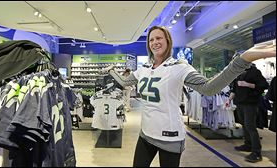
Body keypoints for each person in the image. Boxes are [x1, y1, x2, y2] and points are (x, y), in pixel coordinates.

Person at [103, 26, 275, 167]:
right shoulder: (143, 69)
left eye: (159, 38)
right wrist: (111, 71)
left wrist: (241, 60)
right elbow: (125, 82)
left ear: (168, 41)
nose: (155, 42)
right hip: (146, 133)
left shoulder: (179, 66)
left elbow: (208, 88)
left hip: (169, 137)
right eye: (151, 39)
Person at [226, 63, 269, 163]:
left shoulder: (255, 72)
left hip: (250, 103)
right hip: (240, 103)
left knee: (250, 126)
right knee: (244, 124)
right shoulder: (238, 73)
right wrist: (229, 100)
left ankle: (257, 152)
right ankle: (248, 144)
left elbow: (264, 85)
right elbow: (234, 89)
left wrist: (248, 85)